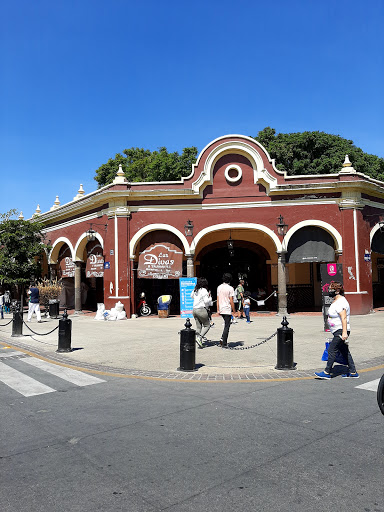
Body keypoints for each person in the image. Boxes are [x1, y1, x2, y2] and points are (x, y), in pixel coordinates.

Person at [315, 281, 358, 380]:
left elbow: (343, 318)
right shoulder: (336, 300)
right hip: (337, 330)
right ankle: (353, 372)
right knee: (344, 351)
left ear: (337, 290)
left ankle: (327, 372)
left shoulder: (341, 302)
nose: (329, 291)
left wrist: (344, 332)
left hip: (340, 330)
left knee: (331, 350)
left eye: (331, 289)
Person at [191, 277, 212, 348]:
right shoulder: (204, 290)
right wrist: (210, 298)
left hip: (194, 309)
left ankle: (199, 341)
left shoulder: (195, 289)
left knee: (198, 326)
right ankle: (199, 337)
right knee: (207, 325)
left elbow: (192, 297)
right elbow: (206, 301)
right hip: (201, 309)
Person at [217, 273, 236, 347]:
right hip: (227, 308)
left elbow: (218, 299)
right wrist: (234, 310)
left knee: (226, 324)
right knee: (227, 326)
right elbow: (231, 300)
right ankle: (224, 343)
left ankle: (222, 339)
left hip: (221, 308)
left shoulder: (219, 287)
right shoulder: (230, 288)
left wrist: (218, 309)